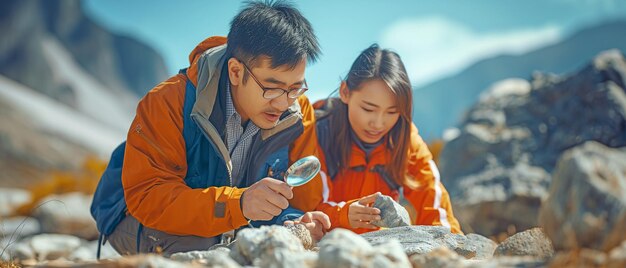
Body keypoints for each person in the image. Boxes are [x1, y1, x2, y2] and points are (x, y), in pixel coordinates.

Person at [90, 1, 329, 257]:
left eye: (295, 88)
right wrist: (239, 204)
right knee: (204, 249)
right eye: (271, 87)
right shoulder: (169, 101)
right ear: (236, 72)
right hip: (133, 216)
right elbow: (148, 198)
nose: (283, 102)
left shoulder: (298, 112)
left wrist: (299, 220)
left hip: (232, 220)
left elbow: (299, 201)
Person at [313, 44, 462, 234]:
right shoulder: (317, 132)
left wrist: (448, 251)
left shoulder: (404, 140)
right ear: (345, 92)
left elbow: (436, 209)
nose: (378, 123)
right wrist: (342, 215)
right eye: (368, 109)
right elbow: (306, 207)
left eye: (392, 112)